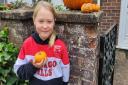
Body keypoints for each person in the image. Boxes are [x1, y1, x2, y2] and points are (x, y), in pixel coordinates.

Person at [13, 1, 70, 85]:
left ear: (54, 22)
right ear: (34, 21)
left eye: (49, 21)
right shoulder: (28, 44)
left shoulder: (60, 46)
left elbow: (65, 69)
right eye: (41, 21)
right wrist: (33, 66)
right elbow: (18, 71)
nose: (45, 26)